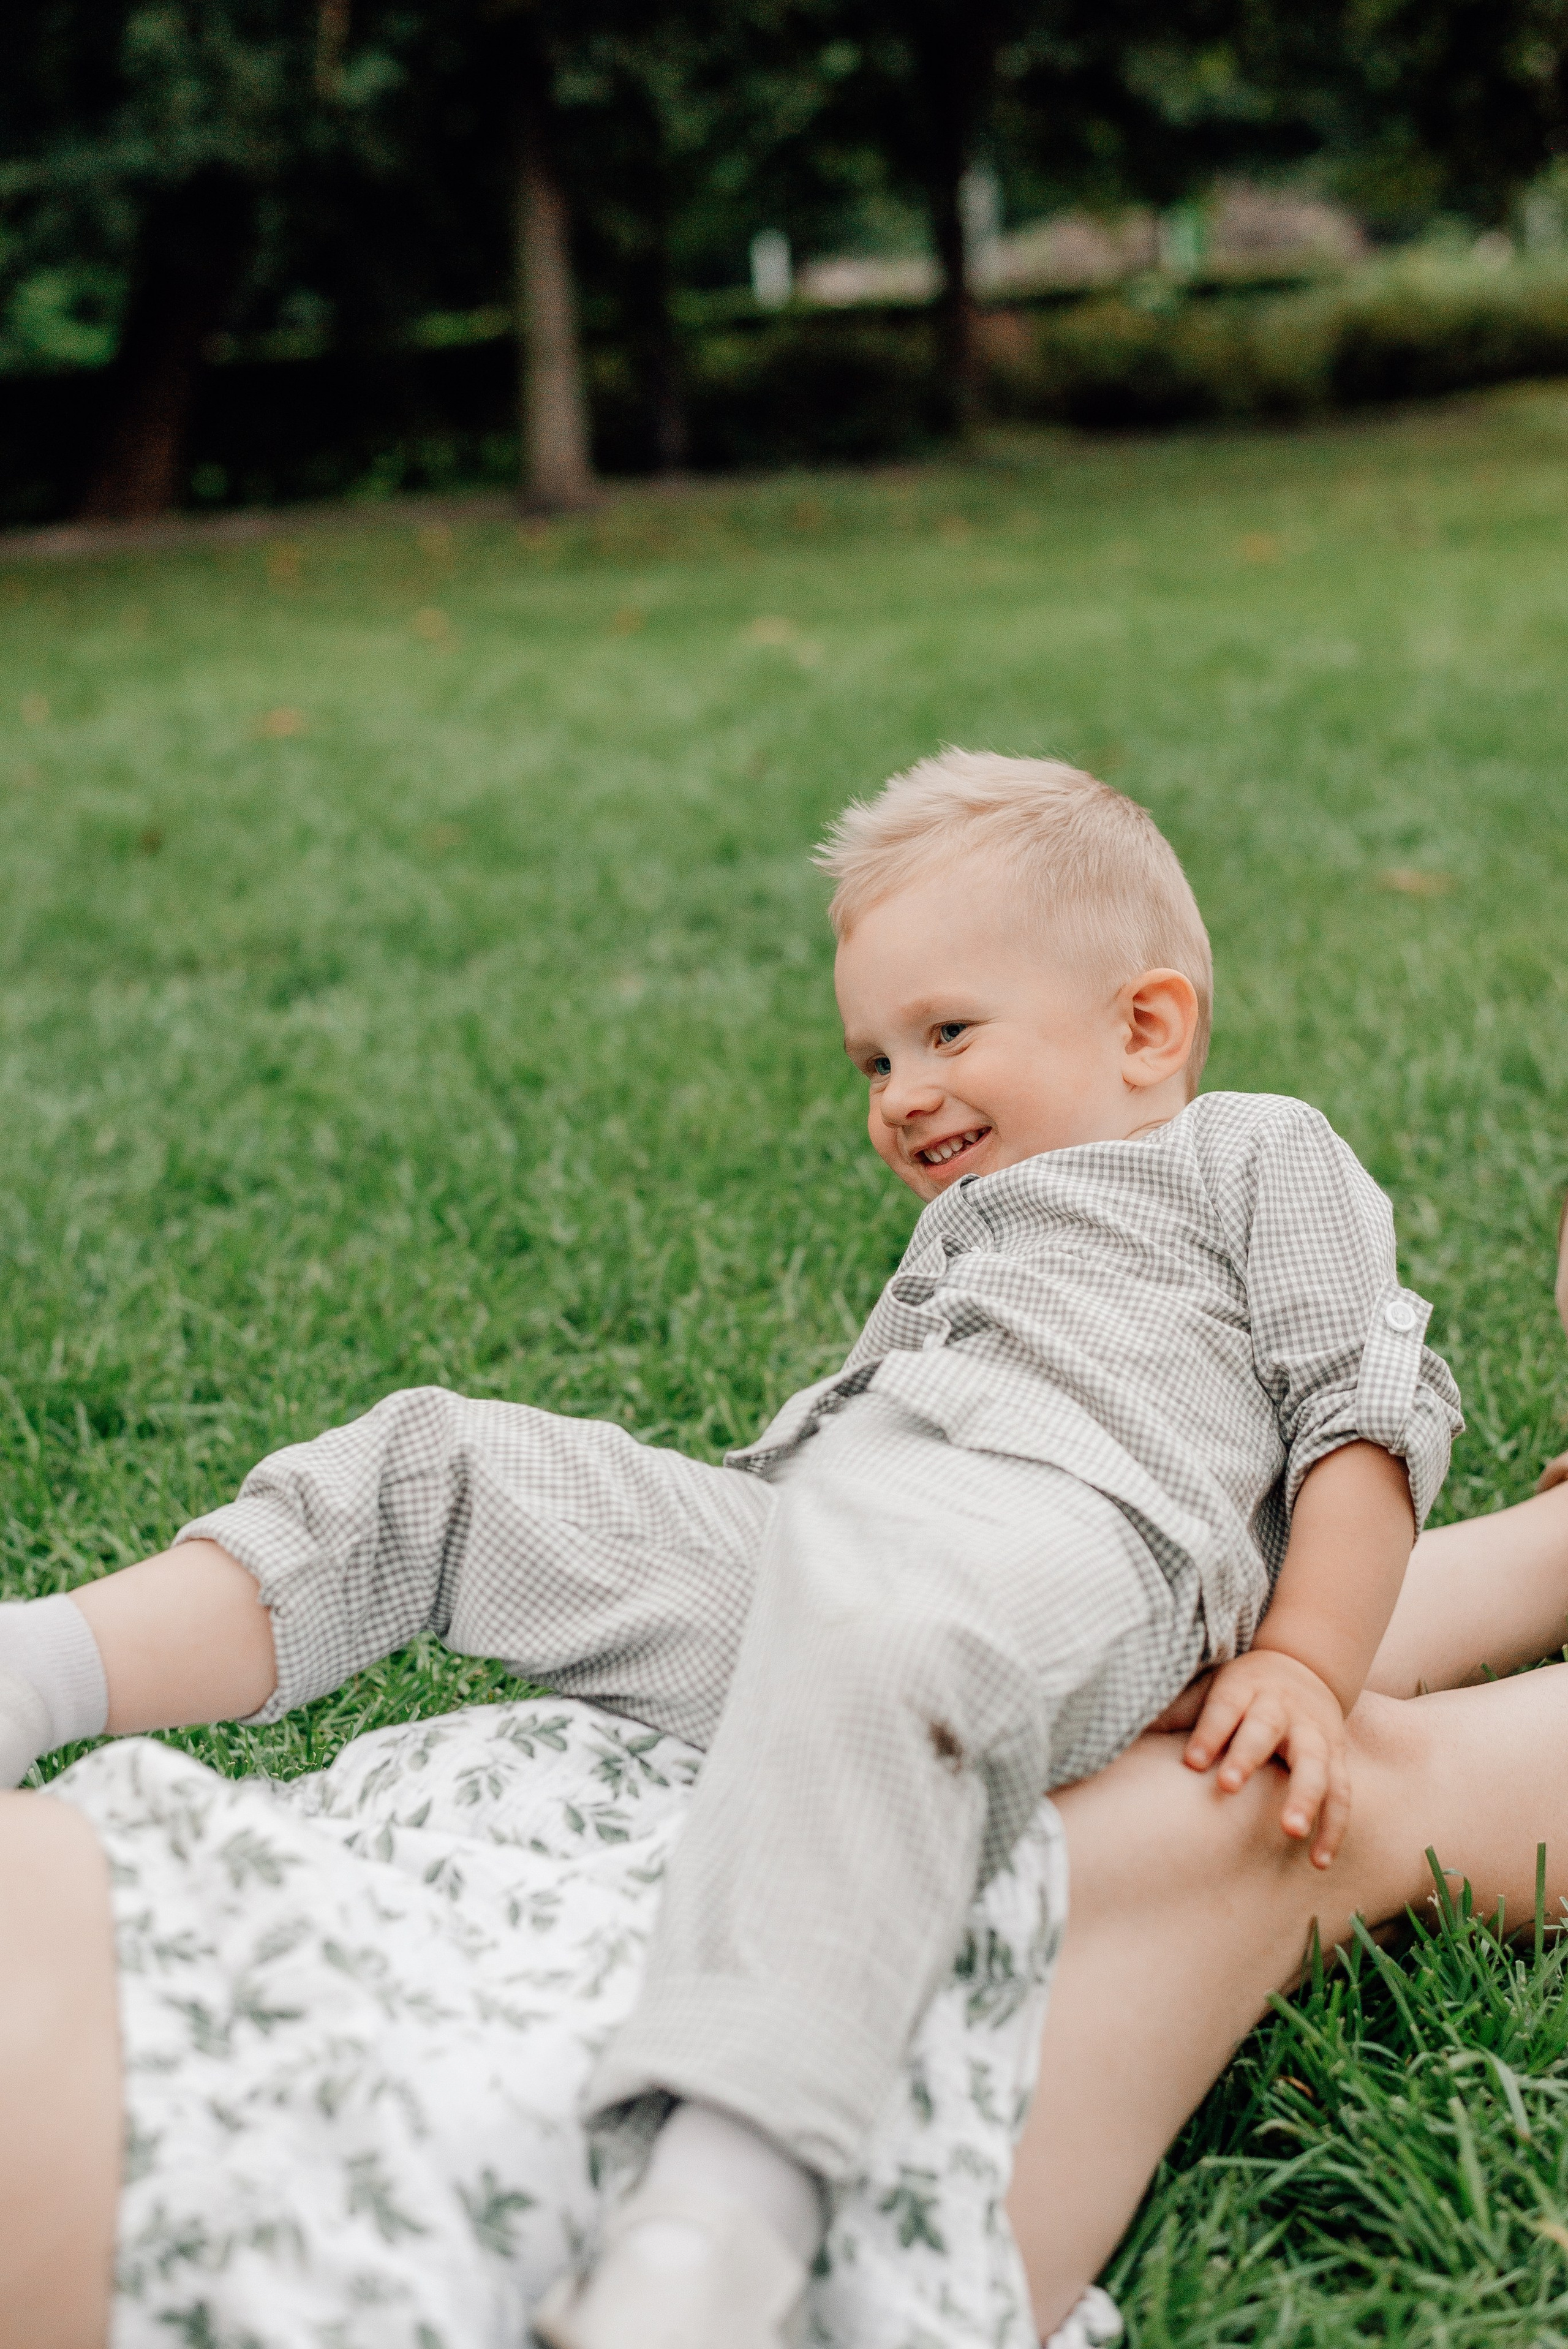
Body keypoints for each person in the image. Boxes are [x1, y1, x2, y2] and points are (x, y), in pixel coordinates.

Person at [0, 752, 1464, 2349]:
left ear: (1147, 1025)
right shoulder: (963, 1230)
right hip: (809, 1538)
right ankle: (49, 1662)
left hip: (1062, 1544)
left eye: (948, 1030)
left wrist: (1307, 1659)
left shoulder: (1253, 1154)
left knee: (878, 1632)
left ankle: (714, 2235)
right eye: (876, 1055)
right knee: (455, 1462)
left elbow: (1368, 1413)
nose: (901, 1090)